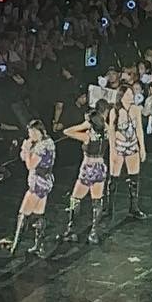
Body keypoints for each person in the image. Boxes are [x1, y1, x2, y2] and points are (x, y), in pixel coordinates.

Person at [60, 101, 110, 244]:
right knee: (97, 200)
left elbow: (67, 131)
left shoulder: (87, 136)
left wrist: (83, 125)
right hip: (100, 167)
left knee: (75, 198)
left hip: (88, 167)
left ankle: (71, 230)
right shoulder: (107, 131)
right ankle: (94, 233)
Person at [6, 119, 56, 257]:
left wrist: (27, 150)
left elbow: (30, 165)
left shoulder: (42, 147)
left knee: (23, 213)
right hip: (46, 181)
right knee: (39, 213)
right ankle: (39, 246)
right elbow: (23, 158)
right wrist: (25, 149)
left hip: (38, 182)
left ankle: (15, 246)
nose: (29, 135)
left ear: (36, 131)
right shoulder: (47, 141)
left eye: (30, 132)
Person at [106, 84, 147, 222]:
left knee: (134, 177)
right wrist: (112, 151)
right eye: (128, 94)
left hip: (132, 145)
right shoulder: (114, 111)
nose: (131, 96)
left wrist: (142, 148)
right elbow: (111, 133)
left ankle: (134, 207)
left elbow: (139, 129)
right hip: (119, 146)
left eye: (132, 94)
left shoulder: (136, 110)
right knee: (114, 177)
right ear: (121, 96)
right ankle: (109, 207)